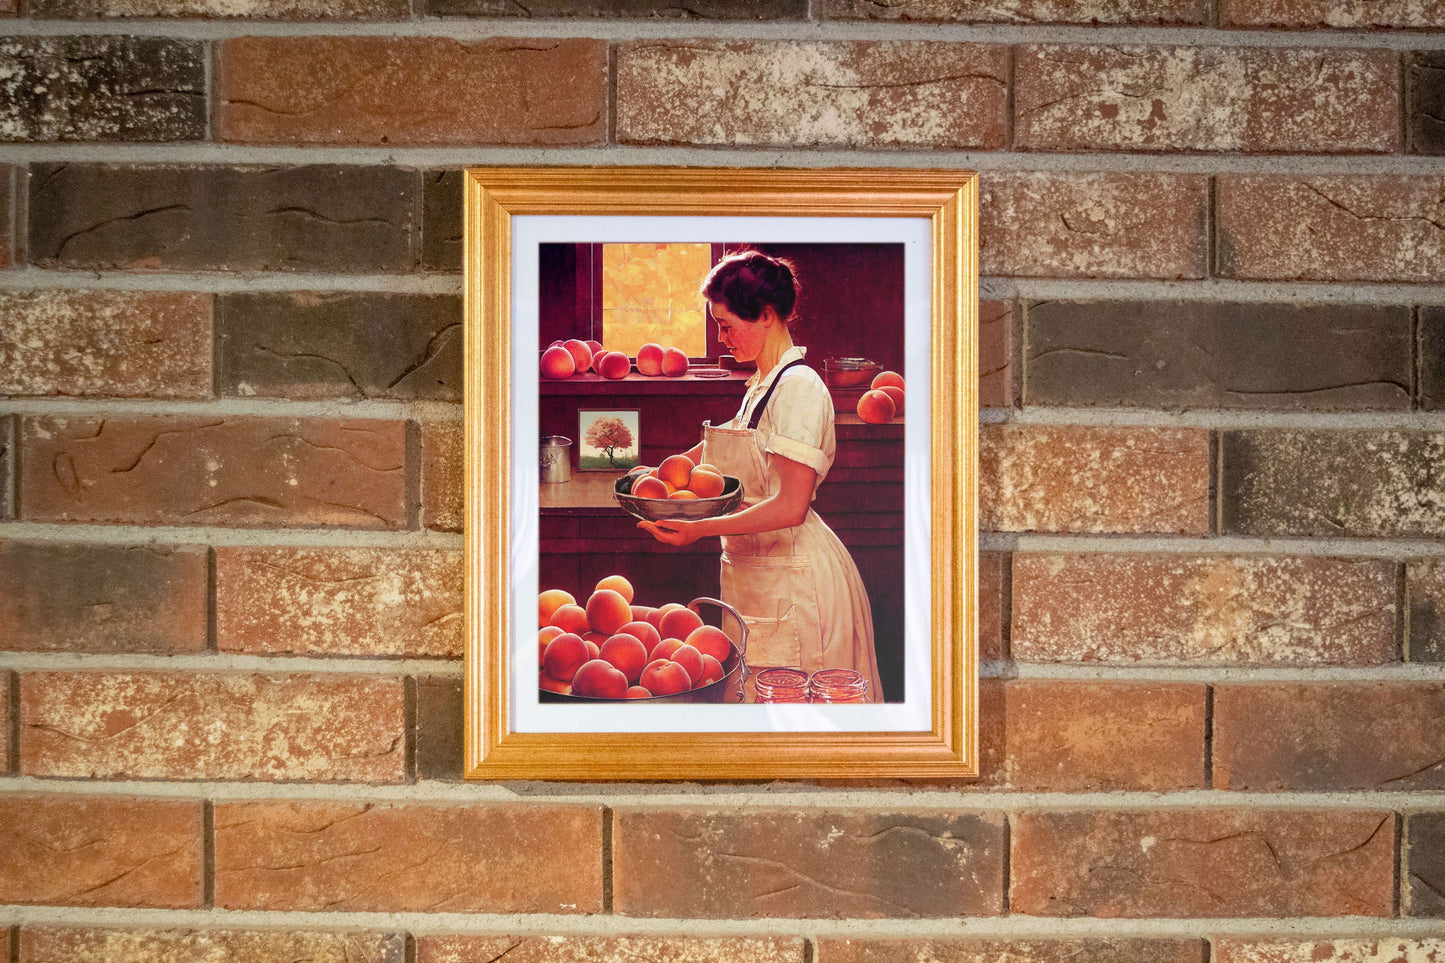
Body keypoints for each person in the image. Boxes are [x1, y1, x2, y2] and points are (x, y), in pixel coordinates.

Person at [636, 250, 883, 701]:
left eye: (727, 325)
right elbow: (728, 443)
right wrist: (659, 473)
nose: (720, 337)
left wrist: (700, 529)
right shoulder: (764, 383)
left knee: (801, 727)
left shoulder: (799, 389)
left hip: (797, 583)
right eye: (716, 326)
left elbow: (791, 506)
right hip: (761, 575)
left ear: (767, 315)